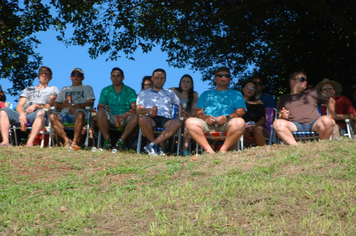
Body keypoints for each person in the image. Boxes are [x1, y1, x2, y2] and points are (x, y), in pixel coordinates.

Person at [185, 67, 246, 154]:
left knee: (240, 122)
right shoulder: (206, 94)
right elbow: (198, 110)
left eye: (226, 76)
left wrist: (227, 117)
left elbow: (241, 111)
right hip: (208, 124)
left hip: (227, 123)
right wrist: (205, 117)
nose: (223, 77)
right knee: (189, 122)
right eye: (220, 75)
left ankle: (223, 150)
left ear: (229, 79)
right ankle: (209, 151)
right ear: (215, 78)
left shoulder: (236, 93)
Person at [0, 66, 58, 146]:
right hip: (23, 114)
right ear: (38, 76)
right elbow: (19, 105)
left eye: (46, 73)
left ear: (50, 77)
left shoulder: (53, 89)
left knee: (41, 112)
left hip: (38, 114)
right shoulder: (28, 89)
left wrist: (36, 106)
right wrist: (22, 114)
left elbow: (50, 105)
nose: (44, 75)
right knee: (3, 111)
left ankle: (30, 142)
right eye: (42, 73)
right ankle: (5, 141)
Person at [273, 71, 335, 145]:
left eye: (306, 80)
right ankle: (294, 147)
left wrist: (331, 116)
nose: (305, 82)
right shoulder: (283, 98)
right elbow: (279, 117)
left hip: (314, 123)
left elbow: (331, 100)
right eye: (302, 79)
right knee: (277, 123)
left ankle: (322, 145)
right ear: (292, 81)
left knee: (327, 120)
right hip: (295, 125)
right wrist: (282, 116)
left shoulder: (312, 92)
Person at [136, 68, 183, 156]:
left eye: (162, 78)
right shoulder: (144, 93)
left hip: (166, 119)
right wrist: (148, 110)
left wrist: (181, 115)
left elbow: (180, 107)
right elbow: (138, 111)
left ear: (165, 80)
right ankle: (157, 147)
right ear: (152, 79)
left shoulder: (170, 93)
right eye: (157, 78)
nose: (159, 80)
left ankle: (152, 145)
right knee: (142, 118)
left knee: (178, 123)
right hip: (150, 118)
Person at [49, 68, 95, 149]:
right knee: (52, 116)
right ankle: (66, 140)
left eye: (79, 75)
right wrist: (63, 105)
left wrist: (77, 106)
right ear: (71, 77)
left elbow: (91, 103)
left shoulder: (87, 88)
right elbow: (56, 104)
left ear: (83, 77)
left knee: (80, 114)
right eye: (74, 75)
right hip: (64, 115)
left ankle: (75, 141)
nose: (76, 77)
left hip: (80, 114)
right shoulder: (64, 89)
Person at [96, 67, 138, 150]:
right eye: (113, 76)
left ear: (123, 78)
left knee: (136, 116)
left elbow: (134, 108)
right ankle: (107, 140)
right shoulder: (106, 90)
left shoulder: (130, 91)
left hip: (125, 117)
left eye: (118, 76)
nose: (115, 78)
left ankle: (121, 141)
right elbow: (99, 106)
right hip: (111, 116)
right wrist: (104, 107)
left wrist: (125, 115)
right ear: (110, 78)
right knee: (100, 112)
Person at [169, 74, 199, 156]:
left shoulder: (194, 95)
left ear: (191, 85)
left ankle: (184, 150)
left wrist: (185, 114)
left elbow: (193, 111)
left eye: (188, 82)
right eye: (183, 81)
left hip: (185, 118)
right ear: (180, 83)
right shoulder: (173, 91)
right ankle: (168, 148)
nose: (185, 84)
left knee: (188, 123)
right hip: (172, 117)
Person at [241, 80, 269, 146]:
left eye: (253, 88)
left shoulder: (259, 103)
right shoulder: (237, 103)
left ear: (255, 91)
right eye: (247, 87)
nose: (250, 90)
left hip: (258, 126)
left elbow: (263, 119)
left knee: (257, 129)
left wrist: (254, 126)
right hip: (243, 127)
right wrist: (245, 127)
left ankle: (263, 150)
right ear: (243, 89)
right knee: (240, 131)